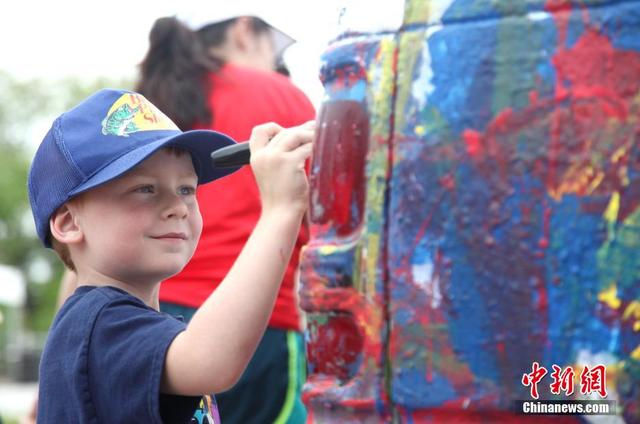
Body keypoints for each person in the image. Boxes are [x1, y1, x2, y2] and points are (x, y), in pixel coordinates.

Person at [27, 88, 314, 422]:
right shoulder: (98, 324)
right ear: (69, 222)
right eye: (145, 189)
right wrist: (280, 210)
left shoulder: (126, 324)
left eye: (186, 189)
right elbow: (210, 360)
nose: (177, 207)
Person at [135, 12, 316, 424]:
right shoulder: (279, 94)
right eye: (272, 50)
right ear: (244, 30)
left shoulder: (144, 106)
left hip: (147, 321)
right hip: (257, 326)